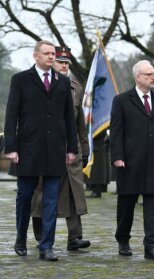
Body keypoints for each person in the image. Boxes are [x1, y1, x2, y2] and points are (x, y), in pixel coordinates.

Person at [4, 40, 78, 261]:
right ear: (35, 56)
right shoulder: (20, 80)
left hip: (55, 150)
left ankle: (47, 246)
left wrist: (71, 148)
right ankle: (20, 238)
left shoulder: (63, 82)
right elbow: (11, 116)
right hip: (27, 150)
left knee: (51, 200)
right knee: (25, 197)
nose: (51, 57)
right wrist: (11, 147)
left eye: (53, 54)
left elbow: (69, 119)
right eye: (46, 54)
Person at [110, 60, 154, 260]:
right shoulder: (122, 100)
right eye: (149, 74)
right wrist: (117, 157)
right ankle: (123, 239)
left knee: (153, 205)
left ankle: (152, 245)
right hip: (130, 162)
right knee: (127, 204)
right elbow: (117, 132)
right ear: (138, 77)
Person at [31, 46, 91, 251]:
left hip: (71, 149)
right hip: (45, 148)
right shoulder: (37, 84)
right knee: (41, 193)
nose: (64, 66)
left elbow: (79, 122)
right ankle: (41, 236)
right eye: (60, 62)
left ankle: (75, 238)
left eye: (67, 63)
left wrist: (84, 148)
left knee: (74, 193)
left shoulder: (75, 86)